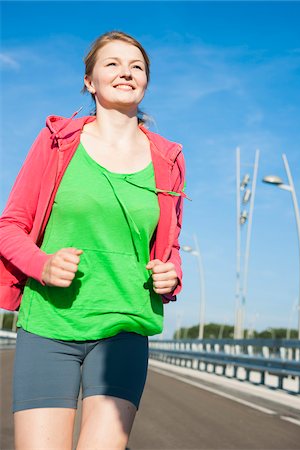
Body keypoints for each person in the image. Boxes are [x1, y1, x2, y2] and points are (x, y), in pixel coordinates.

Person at [0, 30, 187, 449]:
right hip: (50, 324)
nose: (126, 72)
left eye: (137, 66)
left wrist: (171, 274)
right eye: (113, 64)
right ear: (90, 81)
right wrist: (41, 264)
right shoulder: (58, 142)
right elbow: (9, 225)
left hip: (124, 325)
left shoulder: (168, 158)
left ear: (146, 82)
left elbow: (169, 246)